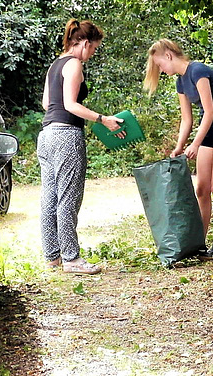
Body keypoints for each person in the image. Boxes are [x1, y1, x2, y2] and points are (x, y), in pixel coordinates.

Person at [37, 19, 124, 274]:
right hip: (66, 135)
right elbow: (70, 105)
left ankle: (53, 256)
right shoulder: (74, 64)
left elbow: (46, 103)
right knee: (68, 198)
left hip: (47, 135)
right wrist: (102, 119)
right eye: (94, 48)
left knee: (50, 197)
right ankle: (72, 258)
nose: (93, 54)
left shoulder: (55, 64)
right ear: (85, 43)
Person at [144, 39, 213, 260]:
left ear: (168, 55)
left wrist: (195, 144)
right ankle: (199, 243)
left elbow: (209, 111)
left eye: (160, 65)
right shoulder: (180, 82)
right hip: (207, 128)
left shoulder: (198, 70)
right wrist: (179, 146)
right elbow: (186, 119)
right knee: (201, 189)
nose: (161, 69)